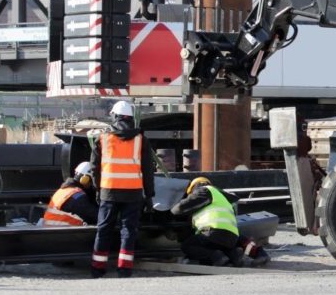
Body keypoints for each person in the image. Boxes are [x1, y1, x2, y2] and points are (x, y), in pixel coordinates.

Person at [89, 100, 155, 279]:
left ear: (114, 116)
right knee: (129, 231)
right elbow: (148, 170)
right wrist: (149, 195)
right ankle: (124, 269)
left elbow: (94, 168)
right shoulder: (141, 140)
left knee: (103, 229)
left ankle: (97, 268)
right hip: (133, 193)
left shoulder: (102, 138)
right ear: (132, 118)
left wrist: (97, 190)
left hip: (108, 191)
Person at [171, 177, 242, 267]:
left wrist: (170, 210)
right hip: (233, 236)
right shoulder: (222, 198)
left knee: (187, 246)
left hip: (214, 232)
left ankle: (218, 257)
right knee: (215, 247)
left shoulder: (204, 190)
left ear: (194, 187)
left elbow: (180, 208)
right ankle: (234, 257)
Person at [42, 161, 99, 226]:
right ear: (85, 179)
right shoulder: (77, 196)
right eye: (93, 181)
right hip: (62, 232)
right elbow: (94, 214)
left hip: (52, 230)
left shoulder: (64, 190)